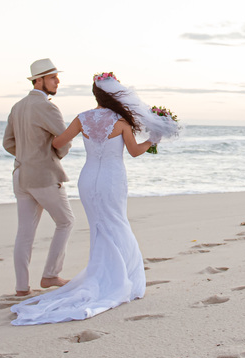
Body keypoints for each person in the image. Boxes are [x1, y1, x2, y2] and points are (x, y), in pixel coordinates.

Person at [9, 72, 158, 325]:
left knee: (98, 227)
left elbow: (57, 143)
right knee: (117, 222)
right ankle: (124, 278)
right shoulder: (121, 121)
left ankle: (102, 273)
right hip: (112, 178)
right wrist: (153, 141)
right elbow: (134, 152)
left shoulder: (82, 118)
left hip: (88, 178)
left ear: (95, 95)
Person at [3, 58, 76, 297]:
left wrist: (27, 155)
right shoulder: (46, 106)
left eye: (56, 77)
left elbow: (8, 143)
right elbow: (64, 138)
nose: (57, 81)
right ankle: (51, 274)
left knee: (24, 232)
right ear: (39, 80)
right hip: (43, 175)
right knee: (66, 221)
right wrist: (52, 155)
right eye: (53, 77)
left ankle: (22, 288)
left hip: (20, 174)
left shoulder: (17, 106)